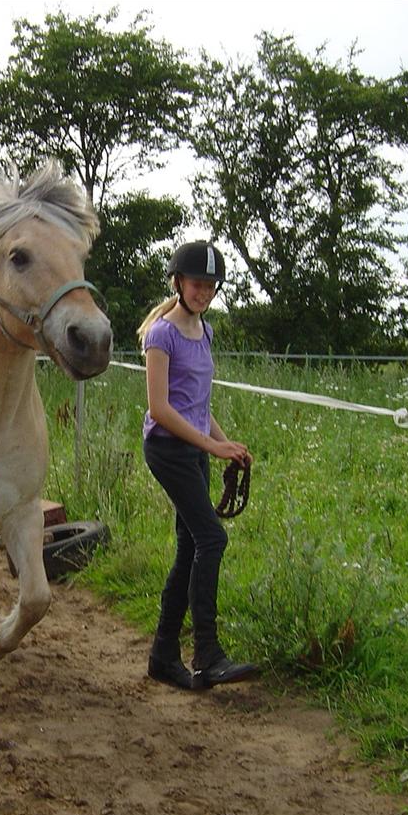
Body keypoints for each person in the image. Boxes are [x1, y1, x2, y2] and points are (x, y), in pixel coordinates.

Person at [138, 240, 257, 690]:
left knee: (191, 547)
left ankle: (163, 655)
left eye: (210, 286)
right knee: (212, 538)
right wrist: (212, 448)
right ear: (178, 283)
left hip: (193, 448)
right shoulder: (161, 336)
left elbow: (198, 404)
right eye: (196, 284)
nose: (203, 292)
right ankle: (207, 654)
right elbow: (162, 409)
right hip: (168, 450)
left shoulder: (203, 331)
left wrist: (228, 445)